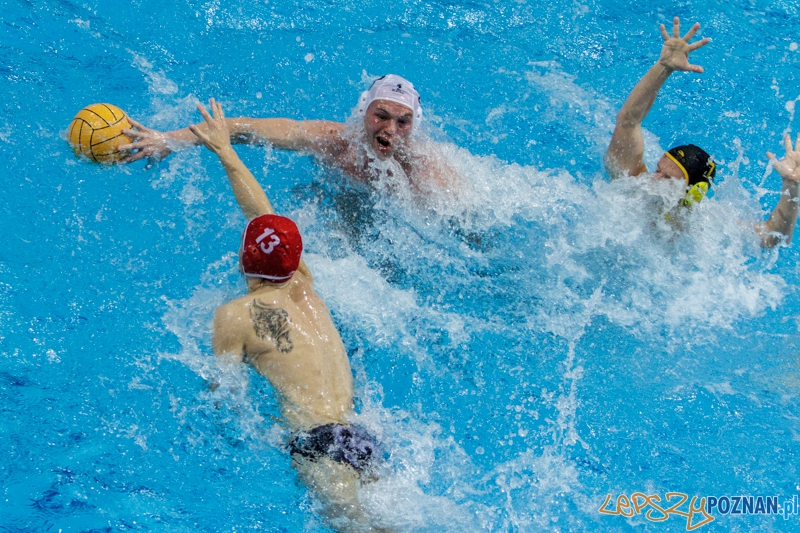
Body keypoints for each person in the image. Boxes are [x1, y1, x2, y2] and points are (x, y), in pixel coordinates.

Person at [193, 98, 391, 533]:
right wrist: (227, 153)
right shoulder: (305, 282)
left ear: (243, 260)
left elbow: (223, 396)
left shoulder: (233, 315)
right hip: (360, 437)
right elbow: (262, 212)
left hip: (317, 444)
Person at [605, 17, 800, 248]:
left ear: (693, 194)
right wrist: (663, 68)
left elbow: (770, 238)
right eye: (658, 169)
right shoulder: (633, 188)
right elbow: (627, 121)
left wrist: (792, 186)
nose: (652, 179)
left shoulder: (708, 226)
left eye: (667, 178)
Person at [119, 75, 458, 199]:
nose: (390, 130)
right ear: (362, 113)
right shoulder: (331, 138)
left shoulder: (420, 168)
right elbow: (242, 128)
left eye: (404, 122)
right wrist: (168, 140)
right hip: (336, 198)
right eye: (381, 116)